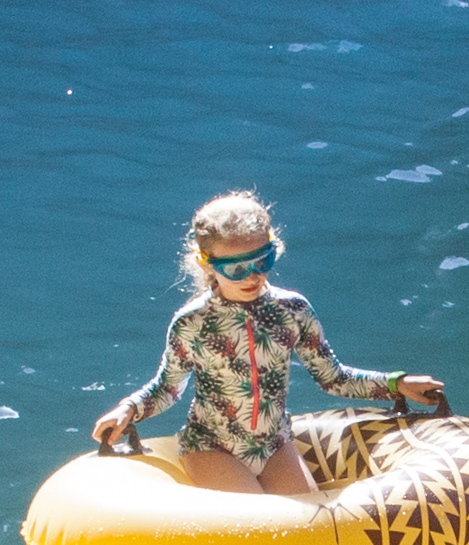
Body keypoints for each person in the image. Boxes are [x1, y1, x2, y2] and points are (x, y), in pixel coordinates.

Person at [89, 191, 445, 499]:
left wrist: (398, 384)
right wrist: (129, 409)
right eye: (236, 268)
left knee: (310, 538)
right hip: (212, 447)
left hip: (275, 446)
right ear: (208, 265)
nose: (253, 276)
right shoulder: (192, 323)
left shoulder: (293, 311)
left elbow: (333, 378)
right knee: (261, 527)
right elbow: (168, 388)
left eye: (263, 261)